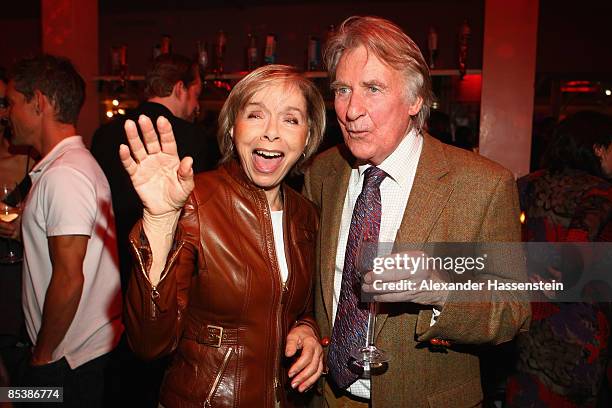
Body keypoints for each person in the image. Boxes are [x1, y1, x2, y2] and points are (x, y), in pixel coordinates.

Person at [303, 16, 531, 407]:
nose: (352, 109)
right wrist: (306, 325)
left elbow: (512, 311)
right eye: (342, 89)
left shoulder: (482, 184)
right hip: (325, 398)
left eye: (372, 88)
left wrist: (440, 290)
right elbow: (310, 283)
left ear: (415, 100)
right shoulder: (323, 171)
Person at [123, 64, 325, 407]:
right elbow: (148, 343)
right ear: (233, 127)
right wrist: (159, 220)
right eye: (256, 114)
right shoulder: (196, 200)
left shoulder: (305, 214)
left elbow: (297, 303)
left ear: (307, 136)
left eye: (290, 119)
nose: (271, 133)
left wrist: (306, 328)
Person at [6, 54, 123, 407]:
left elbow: (70, 279)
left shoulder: (64, 175)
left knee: (17, 399)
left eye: (11, 103)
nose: (6, 114)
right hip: (73, 355)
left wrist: (41, 357)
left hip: (64, 362)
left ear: (38, 102)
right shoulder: (69, 166)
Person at [506, 111, 612, 407]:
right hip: (577, 323)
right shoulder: (600, 192)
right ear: (598, 149)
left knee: (526, 393)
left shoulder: (527, 184)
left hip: (526, 314)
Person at [91, 53, 219, 293]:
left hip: (110, 264)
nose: (197, 106)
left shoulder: (104, 134)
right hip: (168, 267)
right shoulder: (194, 138)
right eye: (196, 95)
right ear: (180, 88)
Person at [0, 68, 36, 387]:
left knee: (24, 380)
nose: (3, 112)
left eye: (4, 102)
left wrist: (26, 222)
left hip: (19, 275)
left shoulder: (33, 158)